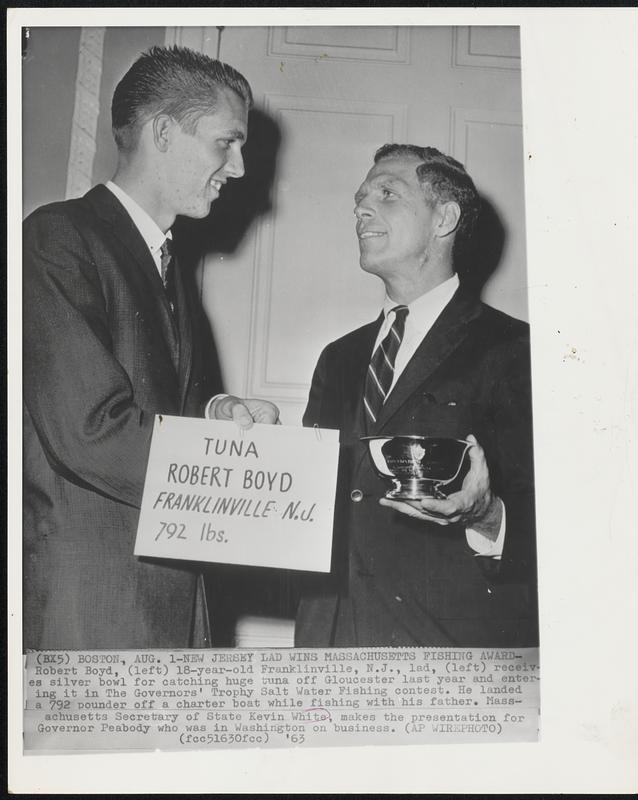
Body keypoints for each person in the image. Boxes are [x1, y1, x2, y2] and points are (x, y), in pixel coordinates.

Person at [23, 46, 278, 651]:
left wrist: (216, 416)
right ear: (164, 132)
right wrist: (239, 477)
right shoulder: (58, 238)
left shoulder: (166, 262)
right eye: (226, 142)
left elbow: (150, 410)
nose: (240, 168)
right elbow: (89, 428)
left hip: (169, 600)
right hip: (94, 608)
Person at [295, 144, 537, 648]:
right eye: (361, 198)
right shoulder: (337, 359)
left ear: (443, 218)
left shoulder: (516, 349)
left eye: (387, 194)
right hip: (329, 650)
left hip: (448, 657)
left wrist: (487, 515)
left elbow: (568, 526)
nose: (361, 208)